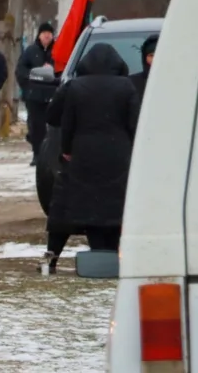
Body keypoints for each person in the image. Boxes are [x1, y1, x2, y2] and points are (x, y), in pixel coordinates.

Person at [41, 42, 140, 273]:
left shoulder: (75, 86)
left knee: (75, 204)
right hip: (118, 154)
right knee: (114, 205)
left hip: (82, 154)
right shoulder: (127, 87)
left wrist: (66, 149)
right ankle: (111, 256)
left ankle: (54, 258)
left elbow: (62, 120)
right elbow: (135, 123)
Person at [18, 22, 56, 166]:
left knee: (53, 127)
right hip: (35, 96)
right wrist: (29, 84)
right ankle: (37, 154)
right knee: (36, 126)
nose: (47, 35)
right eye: (44, 33)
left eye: (49, 33)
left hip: (53, 95)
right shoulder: (30, 51)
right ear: (39, 35)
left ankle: (52, 154)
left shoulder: (58, 51)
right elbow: (21, 71)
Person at [129, 34, 157, 99]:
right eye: (151, 55)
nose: (155, 59)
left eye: (158, 55)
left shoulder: (176, 80)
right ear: (144, 57)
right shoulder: (131, 83)